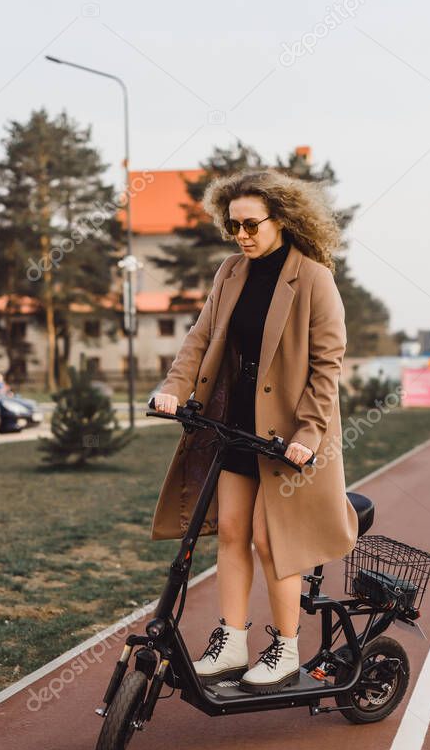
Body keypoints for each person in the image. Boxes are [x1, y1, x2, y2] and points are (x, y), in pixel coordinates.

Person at [151, 168, 358, 694]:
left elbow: (327, 366)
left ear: (282, 220)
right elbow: (199, 338)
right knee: (234, 533)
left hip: (288, 438)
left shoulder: (313, 278)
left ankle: (286, 648)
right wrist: (174, 388)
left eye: (250, 225)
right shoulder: (230, 273)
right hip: (235, 427)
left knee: (272, 540)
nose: (241, 235)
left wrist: (308, 435)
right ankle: (232, 639)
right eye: (233, 226)